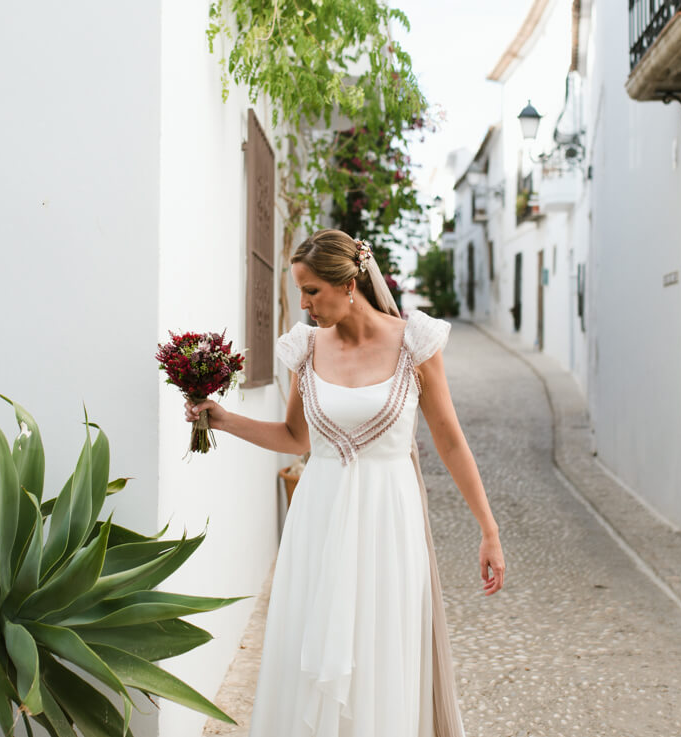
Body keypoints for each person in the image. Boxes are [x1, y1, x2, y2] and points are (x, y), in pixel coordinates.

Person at [186, 229, 504, 737]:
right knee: (314, 649)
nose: (305, 304)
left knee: (382, 648)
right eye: (299, 291)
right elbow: (295, 437)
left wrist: (488, 529)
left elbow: (450, 440)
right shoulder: (305, 349)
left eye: (312, 290)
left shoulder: (414, 344)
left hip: (390, 521)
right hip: (319, 519)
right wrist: (222, 419)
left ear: (349, 282)